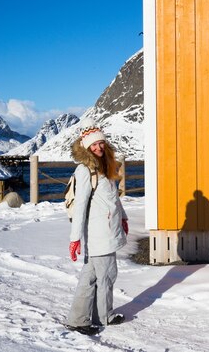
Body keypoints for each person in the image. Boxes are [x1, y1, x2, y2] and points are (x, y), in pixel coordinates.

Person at [65, 121, 129, 335]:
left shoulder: (105, 167)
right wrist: (75, 239)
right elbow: (80, 206)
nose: (98, 148)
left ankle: (83, 318)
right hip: (98, 233)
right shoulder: (85, 170)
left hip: (108, 229)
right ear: (86, 148)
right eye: (94, 145)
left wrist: (124, 218)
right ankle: (100, 317)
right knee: (106, 275)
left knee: (91, 277)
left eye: (101, 143)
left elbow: (113, 200)